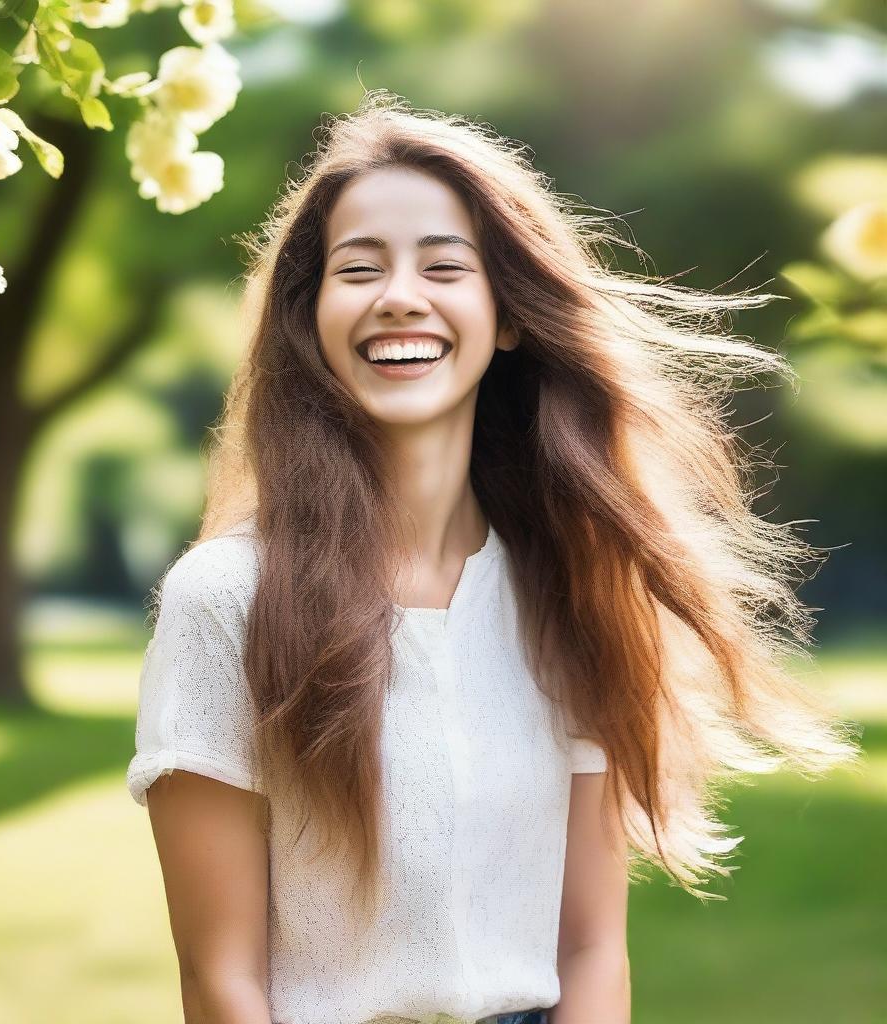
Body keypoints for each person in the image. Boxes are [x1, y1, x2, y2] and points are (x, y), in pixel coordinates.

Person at [126, 90, 860, 1024]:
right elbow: (222, 980)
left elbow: (591, 952)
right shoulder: (226, 597)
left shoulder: (574, 591)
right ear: (309, 320)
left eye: (444, 266)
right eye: (359, 270)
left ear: (506, 316)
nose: (400, 296)